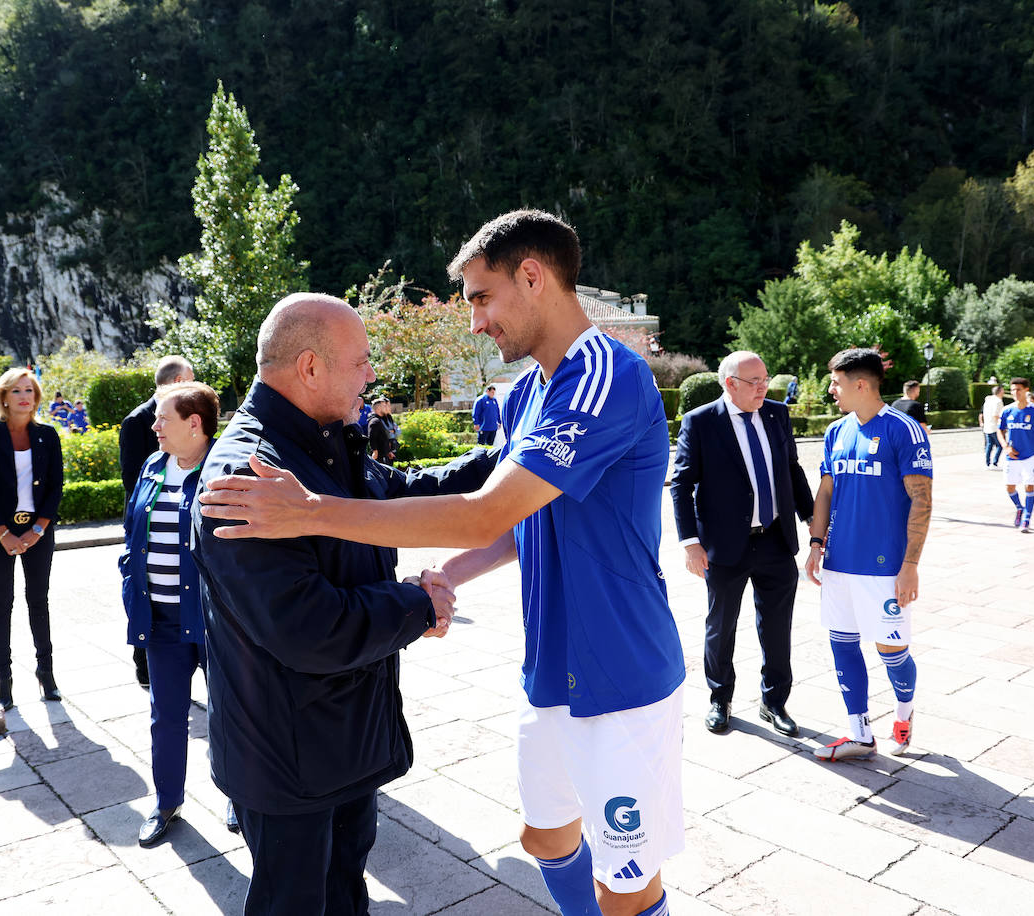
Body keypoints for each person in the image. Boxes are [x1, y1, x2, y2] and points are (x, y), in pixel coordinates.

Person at [200, 211, 686, 916]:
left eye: (481, 298)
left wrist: (309, 510)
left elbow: (488, 509)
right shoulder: (528, 396)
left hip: (623, 672)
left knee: (626, 885)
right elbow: (522, 520)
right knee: (545, 837)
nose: (475, 323)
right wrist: (446, 580)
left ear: (532, 276)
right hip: (552, 668)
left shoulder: (608, 375)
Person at [191, 293, 495, 914]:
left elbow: (403, 493)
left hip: (340, 745)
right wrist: (416, 604)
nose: (370, 376)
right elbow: (310, 629)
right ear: (309, 367)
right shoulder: (246, 478)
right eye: (360, 362)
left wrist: (516, 464)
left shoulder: (323, 445)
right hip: (290, 762)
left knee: (344, 891)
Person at [671, 350, 814, 739]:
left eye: (766, 379)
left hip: (776, 541)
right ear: (730, 384)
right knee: (721, 626)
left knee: (777, 626)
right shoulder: (701, 423)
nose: (764, 387)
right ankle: (720, 698)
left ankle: (774, 702)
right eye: (756, 382)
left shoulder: (776, 414)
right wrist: (690, 543)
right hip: (724, 546)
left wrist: (811, 518)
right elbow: (681, 484)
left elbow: (792, 469)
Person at [803, 348, 932, 761]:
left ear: (860, 384)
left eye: (836, 382)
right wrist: (816, 545)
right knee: (842, 642)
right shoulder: (835, 431)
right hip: (839, 563)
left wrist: (910, 565)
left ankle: (904, 713)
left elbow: (922, 500)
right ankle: (860, 734)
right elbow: (826, 491)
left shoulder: (903, 430)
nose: (830, 389)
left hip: (885, 569)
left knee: (890, 649)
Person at [121, 382, 218, 847]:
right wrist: (130, 579)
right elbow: (130, 531)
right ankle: (166, 802)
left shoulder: (223, 467)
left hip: (216, 621)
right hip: (159, 619)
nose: (154, 426)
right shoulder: (151, 465)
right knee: (167, 717)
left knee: (230, 712)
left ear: (194, 424)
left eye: (163, 419)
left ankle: (238, 796)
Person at [0, 367, 64, 710]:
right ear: (4, 398)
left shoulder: (48, 435)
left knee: (39, 600)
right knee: (1, 603)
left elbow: (56, 486)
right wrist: (3, 533)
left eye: (30, 390)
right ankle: (3, 679)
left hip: (38, 532)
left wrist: (38, 528)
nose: (25, 396)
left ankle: (46, 671)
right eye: (17, 391)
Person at [120, 355, 195, 689]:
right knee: (144, 594)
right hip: (147, 525)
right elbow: (132, 480)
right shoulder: (137, 421)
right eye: (191, 380)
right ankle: (145, 667)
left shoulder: (193, 417)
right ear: (178, 383)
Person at [997, 377, 1034, 533]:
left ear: (1026, 390)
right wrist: (1005, 447)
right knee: (1009, 487)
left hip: (1030, 456)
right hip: (1012, 456)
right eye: (1012, 390)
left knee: (1029, 486)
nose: (1015, 393)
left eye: (1018, 389)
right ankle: (1020, 508)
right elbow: (1000, 430)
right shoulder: (1007, 410)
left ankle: (1026, 518)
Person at [980, 384, 1005, 468]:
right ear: (1000, 391)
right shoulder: (998, 401)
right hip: (994, 426)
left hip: (987, 426)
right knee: (1000, 445)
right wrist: (1001, 425)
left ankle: (987, 463)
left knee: (989, 445)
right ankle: (994, 462)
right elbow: (995, 415)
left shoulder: (988, 400)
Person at [367, 395, 399, 463]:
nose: (387, 408)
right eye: (384, 406)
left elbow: (384, 438)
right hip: (379, 456)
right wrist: (375, 451)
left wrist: (389, 451)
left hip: (385, 454)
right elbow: (372, 437)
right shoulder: (375, 421)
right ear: (379, 408)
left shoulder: (384, 419)